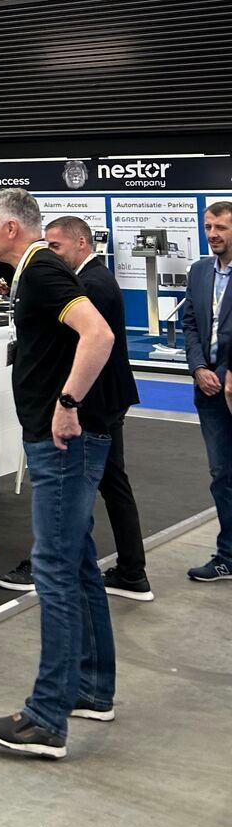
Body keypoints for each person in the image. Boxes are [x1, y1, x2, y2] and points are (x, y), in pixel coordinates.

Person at [0, 189, 117, 761]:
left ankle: (45, 717)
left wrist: (67, 402)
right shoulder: (39, 271)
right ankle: (91, 688)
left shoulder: (41, 271)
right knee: (78, 566)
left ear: (11, 229)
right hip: (65, 443)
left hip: (65, 445)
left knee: (55, 571)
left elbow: (98, 335)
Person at [0, 217, 149, 599]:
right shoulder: (92, 279)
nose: (51, 254)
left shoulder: (90, 284)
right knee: (110, 485)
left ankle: (84, 564)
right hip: (104, 400)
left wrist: (67, 403)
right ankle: (130, 571)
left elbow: (89, 340)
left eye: (57, 247)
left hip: (94, 403)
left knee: (83, 486)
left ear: (82, 244)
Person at [181, 200, 232, 584]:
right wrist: (199, 368)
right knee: (221, 475)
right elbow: (192, 323)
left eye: (221, 228)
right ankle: (227, 555)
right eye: (209, 227)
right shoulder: (199, 271)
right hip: (210, 392)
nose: (213, 234)